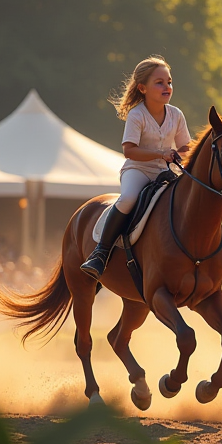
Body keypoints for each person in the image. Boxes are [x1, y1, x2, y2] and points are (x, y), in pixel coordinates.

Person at [80, 56, 192, 280]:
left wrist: (183, 155)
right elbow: (129, 150)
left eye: (169, 82)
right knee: (129, 198)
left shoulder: (176, 114)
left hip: (166, 173)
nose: (167, 87)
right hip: (138, 171)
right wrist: (162, 153)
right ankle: (100, 252)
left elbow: (185, 148)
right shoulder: (137, 114)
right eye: (159, 82)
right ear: (142, 88)